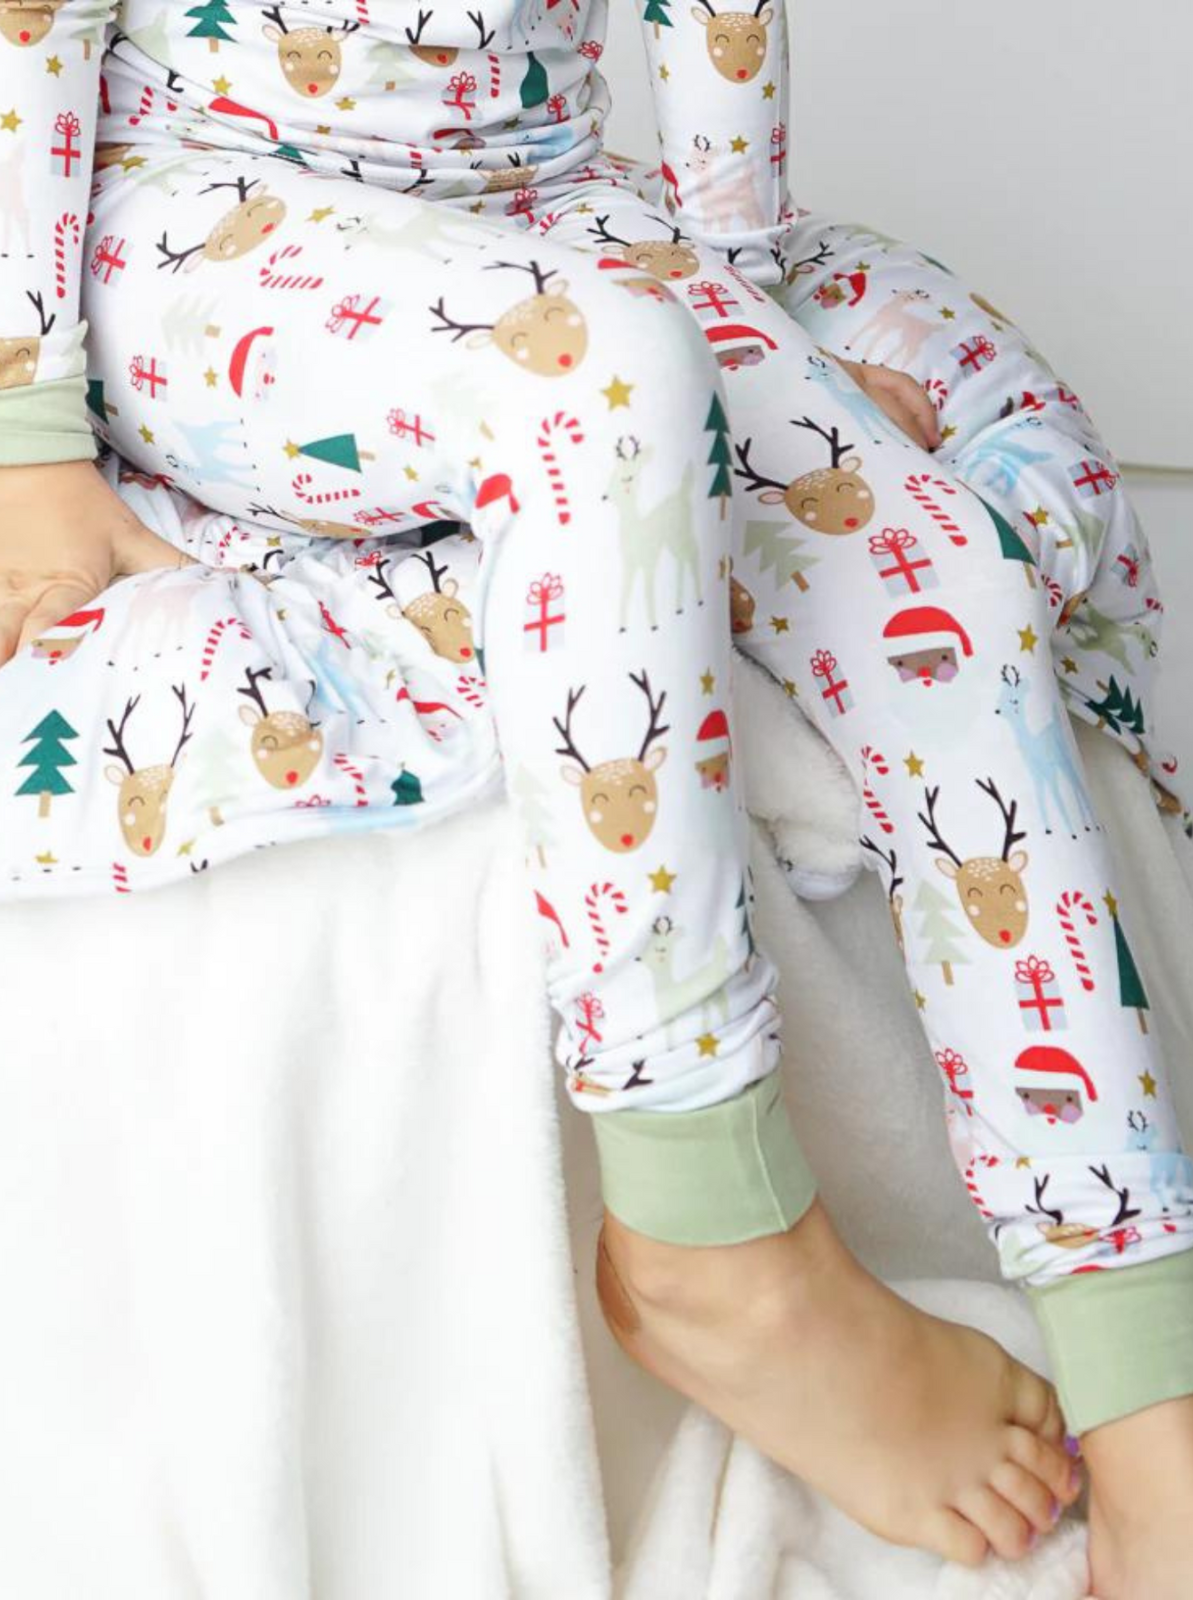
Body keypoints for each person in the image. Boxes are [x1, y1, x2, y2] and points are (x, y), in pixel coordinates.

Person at [0, 1, 1189, 1589]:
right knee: (611, 386)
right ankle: (712, 1224)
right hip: (195, 210)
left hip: (544, 205)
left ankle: (1147, 1391)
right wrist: (27, 438)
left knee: (938, 574)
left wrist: (756, 291)